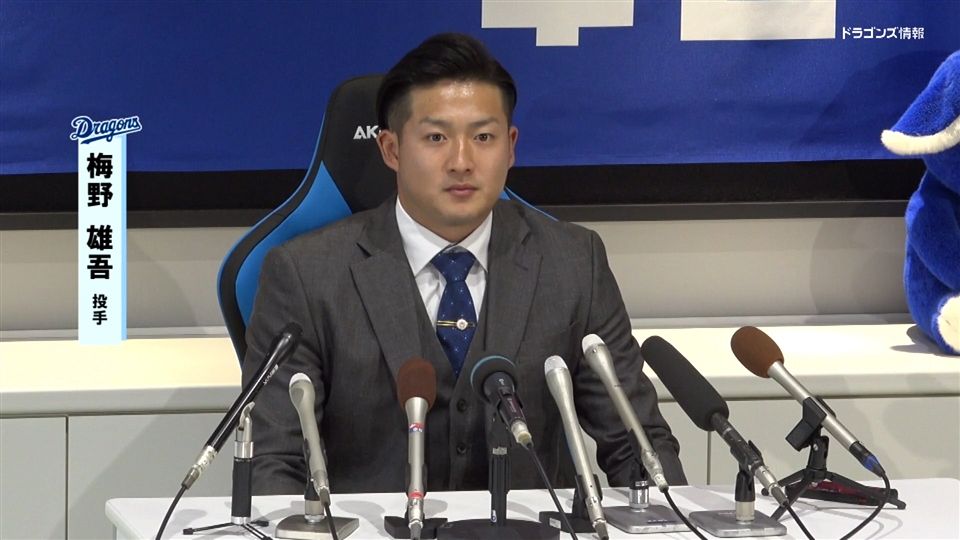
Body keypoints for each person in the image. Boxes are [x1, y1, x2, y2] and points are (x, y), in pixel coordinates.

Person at [243, 32, 687, 495]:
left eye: (483, 137)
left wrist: (663, 514)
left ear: (510, 147)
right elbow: (273, 462)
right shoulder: (306, 274)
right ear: (391, 150)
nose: (462, 161)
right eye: (436, 137)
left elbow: (637, 445)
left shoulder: (574, 263)